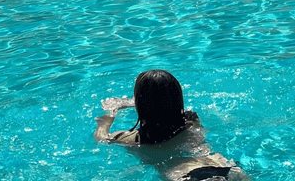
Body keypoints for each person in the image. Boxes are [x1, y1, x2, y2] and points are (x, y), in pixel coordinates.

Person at [94, 69, 246, 181]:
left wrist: (107, 119)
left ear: (141, 103)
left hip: (185, 176)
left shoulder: (129, 139)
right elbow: (167, 106)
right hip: (227, 169)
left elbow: (101, 138)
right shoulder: (191, 121)